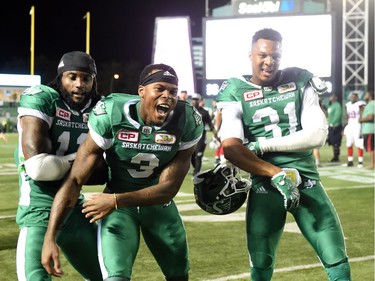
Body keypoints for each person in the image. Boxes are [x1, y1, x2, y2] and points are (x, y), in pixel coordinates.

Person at [41, 63, 204, 281]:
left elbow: (168, 189)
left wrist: (115, 200)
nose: (168, 96)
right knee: (115, 276)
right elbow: (75, 179)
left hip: (157, 206)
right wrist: (50, 237)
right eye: (160, 89)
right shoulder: (111, 112)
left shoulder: (186, 119)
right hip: (119, 209)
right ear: (141, 91)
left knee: (178, 275)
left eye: (173, 92)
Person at [216, 28, 351, 280]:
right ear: (251, 55)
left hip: (306, 181)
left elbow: (317, 135)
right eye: (263, 55)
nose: (269, 62)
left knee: (336, 258)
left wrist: (261, 146)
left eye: (275, 56)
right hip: (265, 186)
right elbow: (232, 147)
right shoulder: (235, 89)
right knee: (261, 262)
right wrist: (274, 172)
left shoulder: (300, 79)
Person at [15, 51, 107, 280]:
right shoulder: (43, 98)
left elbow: (103, 173)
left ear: (94, 81)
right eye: (72, 77)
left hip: (73, 206)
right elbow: (39, 169)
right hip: (39, 207)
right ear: (60, 78)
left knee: (109, 275)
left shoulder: (99, 107)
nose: (79, 84)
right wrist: (86, 159)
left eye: (86, 78)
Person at [190, 93, 217, 175]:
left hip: (201, 136)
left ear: (199, 101)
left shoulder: (204, 112)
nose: (194, 101)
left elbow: (210, 125)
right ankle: (196, 169)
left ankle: (196, 173)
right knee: (192, 156)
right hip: (190, 137)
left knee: (198, 155)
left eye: (196, 99)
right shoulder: (188, 111)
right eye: (193, 99)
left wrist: (216, 134)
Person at [343, 92, 366, 167]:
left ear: (357, 98)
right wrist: (346, 124)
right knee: (349, 143)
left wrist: (362, 123)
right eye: (352, 97)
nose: (353, 98)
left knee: (359, 143)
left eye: (355, 97)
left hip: (357, 125)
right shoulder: (348, 104)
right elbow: (347, 115)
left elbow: (362, 113)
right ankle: (350, 161)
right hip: (350, 125)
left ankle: (360, 161)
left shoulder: (360, 104)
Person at [359, 90, 375, 169]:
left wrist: (360, 120)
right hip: (368, 129)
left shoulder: (371, 104)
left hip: (370, 129)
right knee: (371, 147)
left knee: (371, 148)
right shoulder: (369, 104)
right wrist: (362, 111)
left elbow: (371, 117)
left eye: (366, 94)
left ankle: (373, 164)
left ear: (370, 96)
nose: (365, 96)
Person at [327, 94, 343, 162]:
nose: (329, 98)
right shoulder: (330, 105)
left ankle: (336, 157)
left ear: (334, 98)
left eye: (330, 97)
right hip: (331, 126)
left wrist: (333, 123)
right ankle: (335, 156)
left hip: (336, 126)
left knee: (336, 142)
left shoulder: (337, 105)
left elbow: (338, 115)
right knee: (332, 142)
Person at [313, 97, 327, 167]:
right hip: (315, 129)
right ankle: (317, 161)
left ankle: (316, 161)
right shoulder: (319, 110)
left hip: (314, 129)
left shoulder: (312, 108)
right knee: (315, 147)